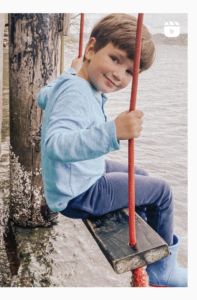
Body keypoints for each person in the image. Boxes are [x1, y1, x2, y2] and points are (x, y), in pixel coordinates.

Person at [37, 13, 187, 287]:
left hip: (78, 176)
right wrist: (113, 131)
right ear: (91, 49)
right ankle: (162, 269)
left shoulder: (76, 83)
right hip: (80, 193)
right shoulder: (77, 92)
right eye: (115, 59)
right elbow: (55, 144)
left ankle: (141, 231)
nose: (119, 74)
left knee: (140, 174)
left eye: (130, 71)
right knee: (162, 192)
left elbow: (43, 96)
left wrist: (71, 71)